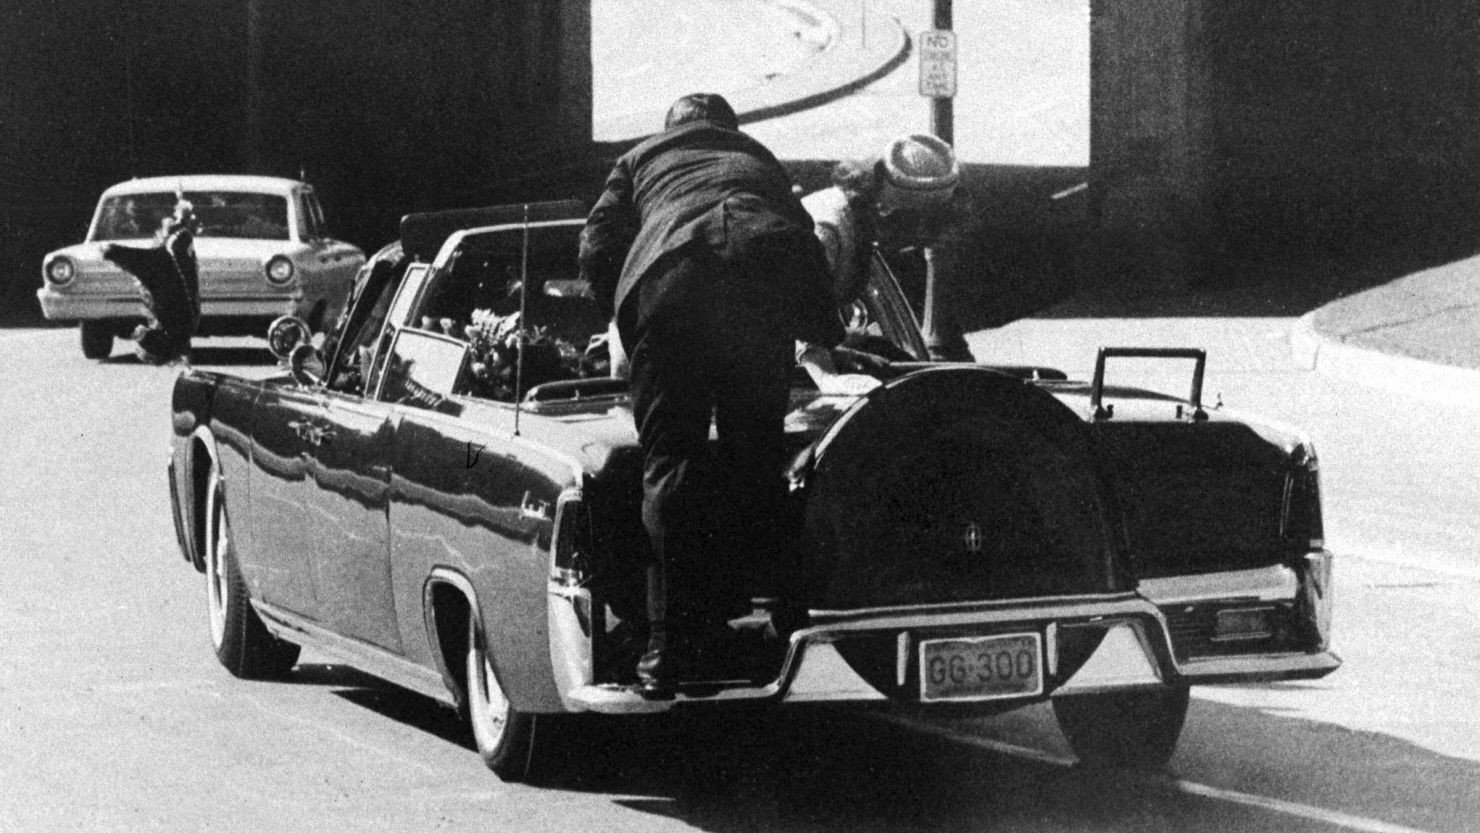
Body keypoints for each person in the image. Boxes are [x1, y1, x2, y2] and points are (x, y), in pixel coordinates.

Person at [579, 92, 843, 698]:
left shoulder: (640, 159)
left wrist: (621, 320)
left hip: (671, 288)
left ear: (671, 128)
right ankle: (785, 627)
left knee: (671, 467)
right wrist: (825, 334)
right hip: (761, 288)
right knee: (760, 462)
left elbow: (595, 247)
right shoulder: (758, 159)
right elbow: (801, 242)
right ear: (728, 128)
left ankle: (665, 654)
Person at [102, 198, 201, 364]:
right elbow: (154, 270)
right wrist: (111, 253)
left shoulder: (180, 329)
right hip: (168, 267)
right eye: (143, 338)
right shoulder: (171, 320)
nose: (137, 332)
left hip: (171, 263)